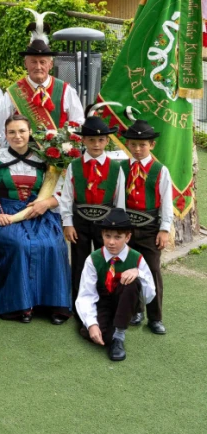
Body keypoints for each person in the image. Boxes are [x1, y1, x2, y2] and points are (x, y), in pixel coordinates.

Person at [0, 114, 71, 324]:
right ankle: (19, 305)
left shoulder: (47, 161)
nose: (17, 136)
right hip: (7, 213)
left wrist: (45, 204)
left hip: (40, 212)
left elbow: (63, 192)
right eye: (12, 132)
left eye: (21, 131)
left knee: (53, 244)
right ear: (5, 134)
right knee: (19, 244)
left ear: (30, 133)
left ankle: (54, 303)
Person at [57, 115, 127, 305]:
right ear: (83, 140)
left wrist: (117, 228)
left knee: (106, 261)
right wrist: (68, 223)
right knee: (79, 262)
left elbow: (119, 201)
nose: (96, 144)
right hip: (80, 222)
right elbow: (67, 197)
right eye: (91, 140)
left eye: (101, 139)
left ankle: (106, 302)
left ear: (107, 141)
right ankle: (79, 303)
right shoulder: (74, 166)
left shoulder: (115, 168)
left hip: (106, 223)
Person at [75, 209, 156, 362]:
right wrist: (92, 324)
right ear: (102, 235)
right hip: (103, 300)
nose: (111, 242)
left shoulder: (137, 258)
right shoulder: (93, 259)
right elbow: (86, 294)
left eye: (118, 237)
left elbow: (149, 295)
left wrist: (138, 272)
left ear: (127, 237)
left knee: (132, 283)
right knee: (97, 335)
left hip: (125, 298)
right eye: (107, 236)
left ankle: (119, 335)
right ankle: (114, 324)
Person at [119, 119, 170, 334]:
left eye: (143, 145)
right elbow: (118, 199)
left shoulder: (160, 170)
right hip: (127, 228)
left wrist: (164, 229)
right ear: (128, 145)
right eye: (133, 144)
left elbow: (166, 202)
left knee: (153, 270)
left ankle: (155, 317)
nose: (138, 149)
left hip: (150, 229)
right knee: (128, 270)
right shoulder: (122, 168)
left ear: (152, 145)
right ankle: (135, 310)